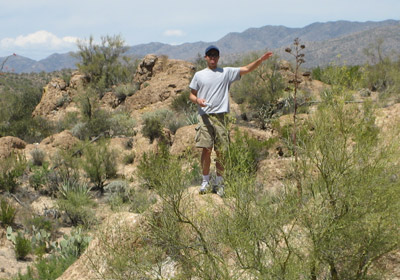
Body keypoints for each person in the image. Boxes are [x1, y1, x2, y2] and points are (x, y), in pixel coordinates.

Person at [189, 45, 273, 196]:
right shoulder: (199, 75)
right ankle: (205, 181)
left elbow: (246, 69)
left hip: (221, 116)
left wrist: (260, 60)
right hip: (205, 116)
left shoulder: (226, 72)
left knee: (221, 150)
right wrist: (198, 101)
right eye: (210, 55)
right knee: (206, 149)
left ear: (218, 57)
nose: (213, 58)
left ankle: (220, 183)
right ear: (205, 58)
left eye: (215, 55)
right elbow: (191, 94)